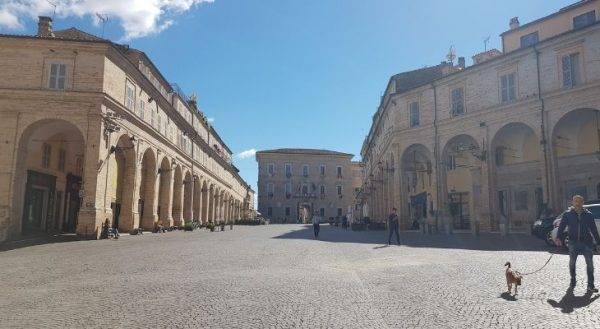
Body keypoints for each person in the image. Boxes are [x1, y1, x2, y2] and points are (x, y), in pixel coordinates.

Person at [556, 195, 600, 292]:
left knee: (590, 265)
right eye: (575, 201)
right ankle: (573, 281)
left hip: (587, 243)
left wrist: (598, 242)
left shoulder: (588, 214)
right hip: (573, 242)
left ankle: (591, 285)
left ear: (583, 202)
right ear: (572, 202)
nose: (577, 203)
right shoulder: (567, 214)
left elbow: (593, 229)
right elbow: (561, 226)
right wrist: (558, 237)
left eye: (579, 201)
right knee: (572, 263)